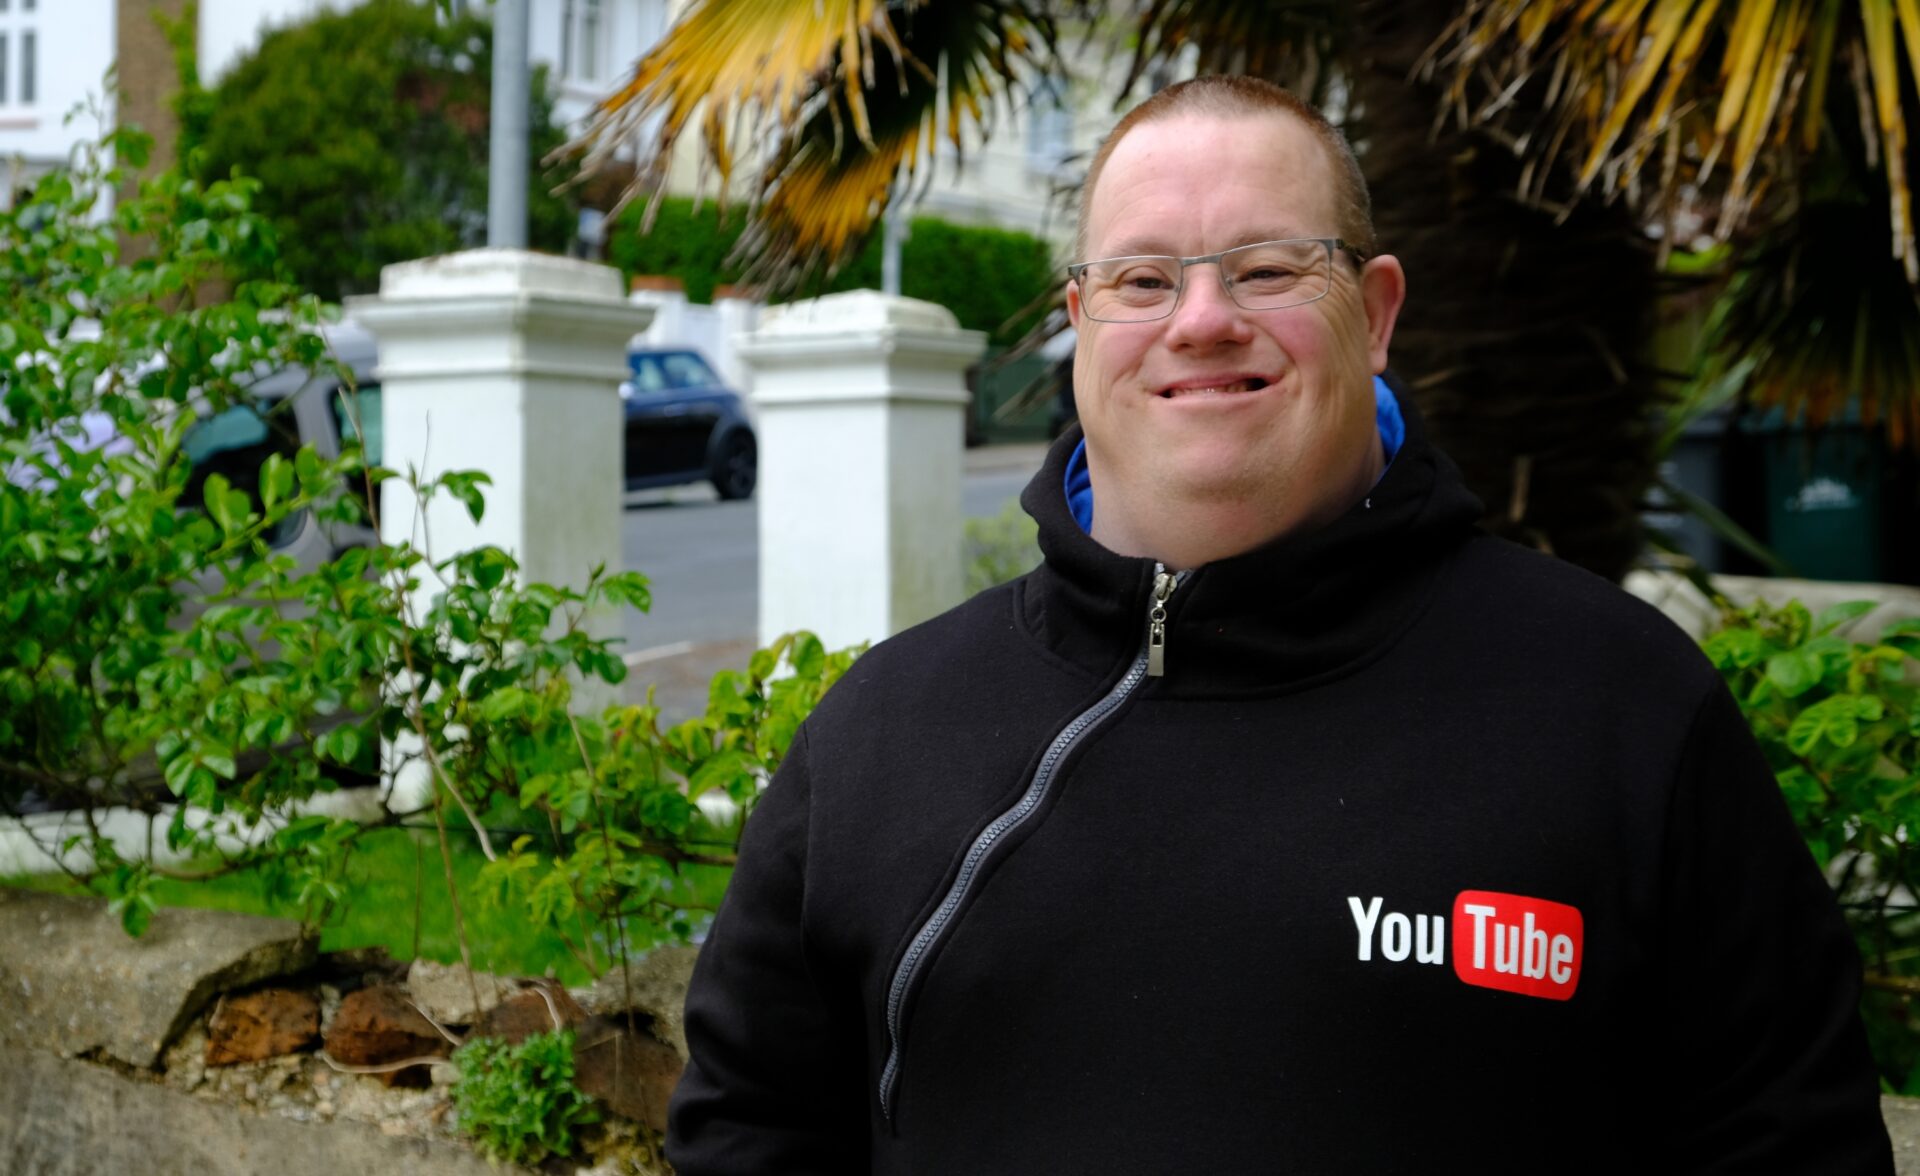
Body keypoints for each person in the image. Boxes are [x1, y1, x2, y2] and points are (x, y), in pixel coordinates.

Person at [666, 76, 1894, 1173]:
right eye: (1143, 280)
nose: (1202, 320)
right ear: (1080, 320)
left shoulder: (1621, 708)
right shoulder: (886, 734)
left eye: (1266, 269)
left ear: (1378, 311)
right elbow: (749, 1128)